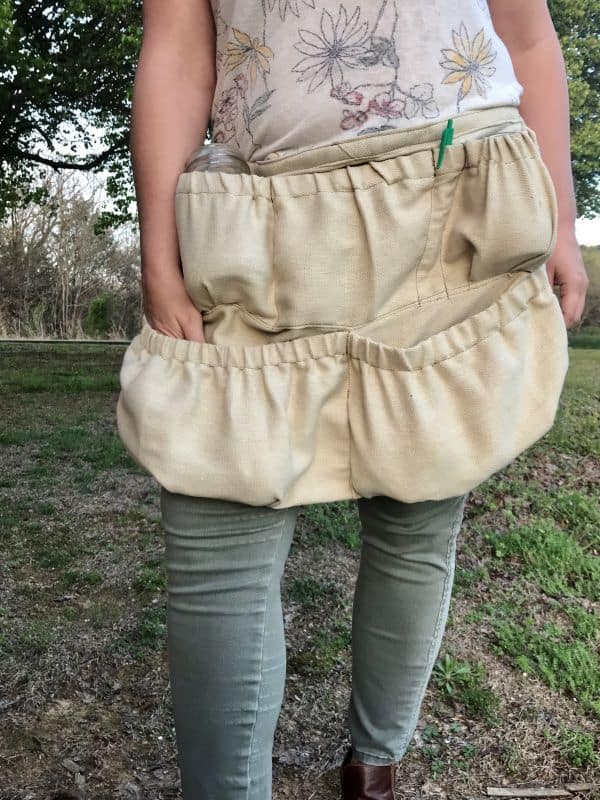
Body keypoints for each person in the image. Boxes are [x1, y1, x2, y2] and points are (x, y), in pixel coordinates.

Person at [118, 1, 588, 798]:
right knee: (214, 528)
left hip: (454, 198)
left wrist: (564, 224)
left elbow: (527, 34)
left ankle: (375, 766)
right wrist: (159, 258)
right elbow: (175, 51)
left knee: (419, 510)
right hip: (257, 216)